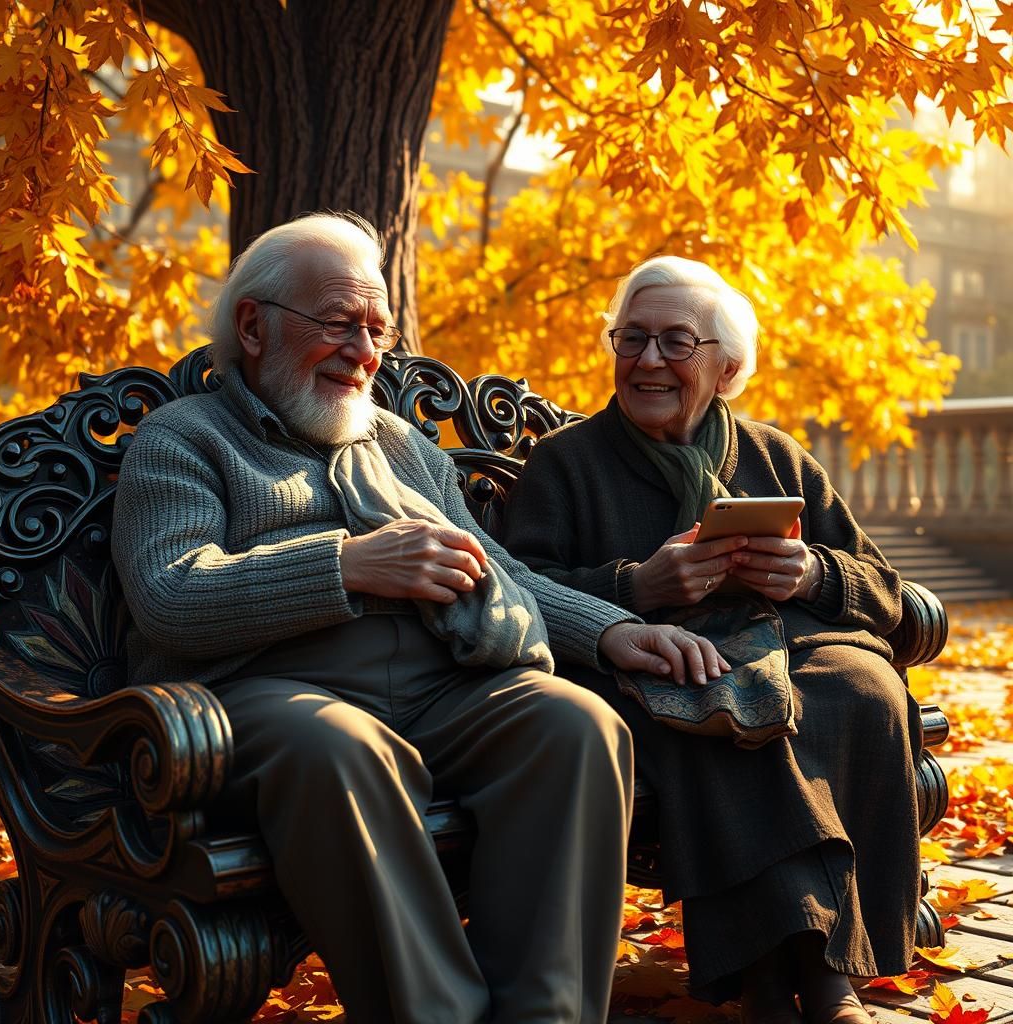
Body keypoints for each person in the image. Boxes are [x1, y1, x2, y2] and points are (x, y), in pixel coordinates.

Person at [111, 213, 729, 1024]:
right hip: (270, 691)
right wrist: (345, 565)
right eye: (340, 323)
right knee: (340, 746)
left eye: (377, 330)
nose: (365, 351)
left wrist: (610, 630)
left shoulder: (400, 445)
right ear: (254, 327)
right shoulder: (185, 440)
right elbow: (169, 594)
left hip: (441, 688)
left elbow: (501, 572)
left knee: (575, 725)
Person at [502, 255, 921, 1024]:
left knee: (864, 687)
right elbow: (521, 588)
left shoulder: (774, 455)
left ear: (726, 368)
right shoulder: (566, 463)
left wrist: (812, 573)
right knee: (719, 699)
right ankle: (782, 977)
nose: (648, 361)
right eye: (632, 339)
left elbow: (885, 590)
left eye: (675, 342)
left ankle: (821, 970)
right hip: (652, 662)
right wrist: (637, 589)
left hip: (794, 646)